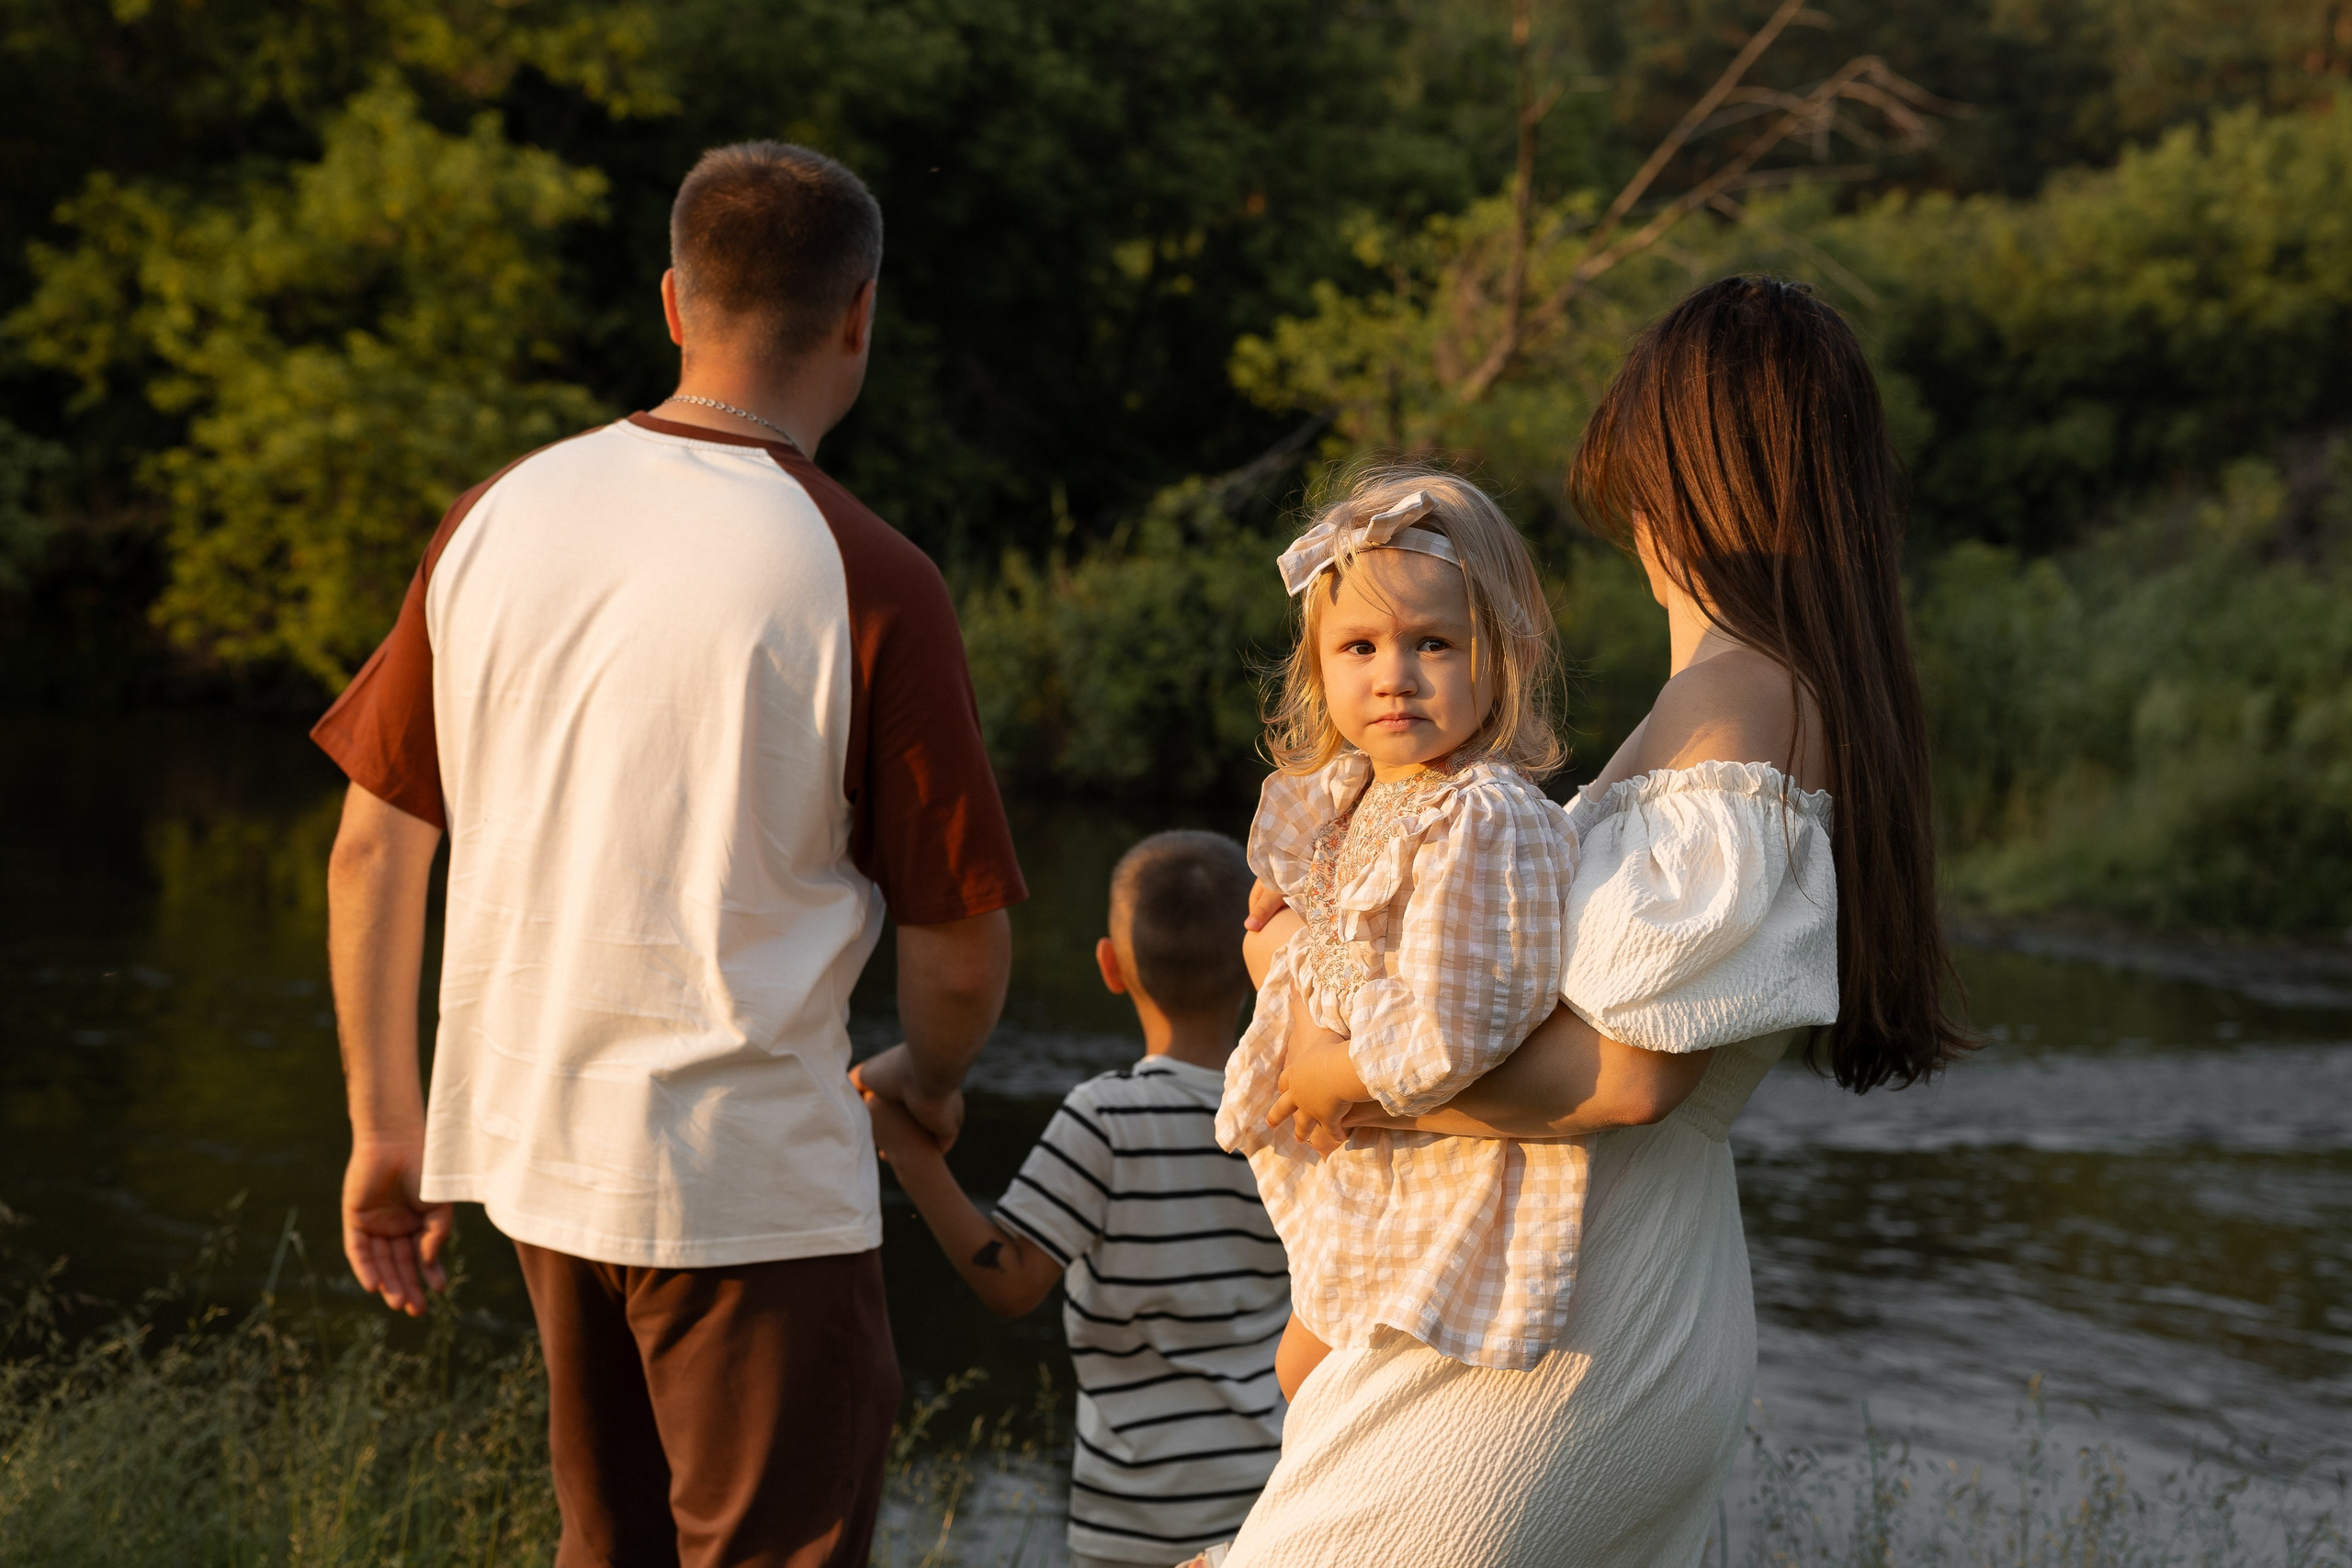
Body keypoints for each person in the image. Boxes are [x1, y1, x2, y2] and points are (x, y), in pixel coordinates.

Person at [313, 141, 1028, 1568]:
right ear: (858, 316)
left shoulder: (495, 517)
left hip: (535, 1153)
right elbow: (957, 940)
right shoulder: (867, 572)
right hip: (746, 1183)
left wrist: (388, 1127)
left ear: (671, 301)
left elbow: (372, 855)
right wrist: (932, 1079)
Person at [1216, 275, 1973, 1568]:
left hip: (1566, 1325)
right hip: (1605, 1292)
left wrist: (1323, 1057)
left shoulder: (1740, 700)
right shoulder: (1750, 692)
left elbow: (1629, 1074)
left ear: (1670, 467)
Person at [1211, 469, 1582, 1397]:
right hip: (1371, 1170)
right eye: (1360, 646)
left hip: (1437, 1181)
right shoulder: (1365, 790)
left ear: (1504, 656)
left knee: (1314, 1385)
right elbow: (1309, 909)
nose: (1394, 677)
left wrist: (1324, 1059)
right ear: (1319, 667)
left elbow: (1453, 1032)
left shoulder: (1479, 816)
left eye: (1433, 644)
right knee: (1296, 1376)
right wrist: (1288, 920)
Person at [858, 830, 1288, 1568]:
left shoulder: (1104, 1117)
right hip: (1276, 1499)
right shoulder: (1293, 1115)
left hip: (1134, 1516)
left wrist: (907, 1150)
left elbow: (1013, 1281)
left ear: (1111, 968)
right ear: (1251, 973)